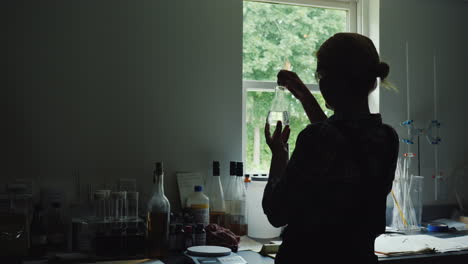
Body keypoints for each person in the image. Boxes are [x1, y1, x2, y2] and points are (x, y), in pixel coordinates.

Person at [263, 33, 399, 264]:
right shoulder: (387, 138)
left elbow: (276, 212)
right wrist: (305, 96)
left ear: (326, 80)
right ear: (373, 81)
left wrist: (278, 156)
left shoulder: (317, 139)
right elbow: (343, 138)